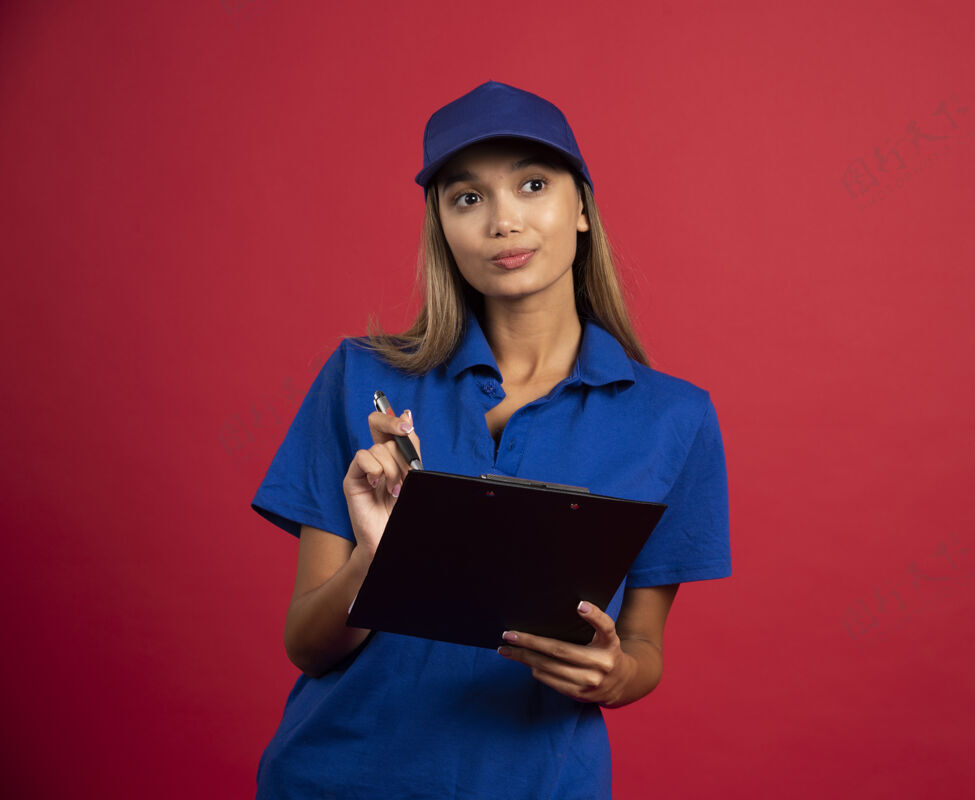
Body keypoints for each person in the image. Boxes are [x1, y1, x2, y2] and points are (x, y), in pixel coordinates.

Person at [250, 80, 731, 799]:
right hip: (335, 778)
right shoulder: (359, 378)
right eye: (467, 198)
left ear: (582, 210)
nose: (503, 221)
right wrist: (374, 563)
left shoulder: (673, 419)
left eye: (532, 185)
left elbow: (643, 650)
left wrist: (612, 674)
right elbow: (307, 646)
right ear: (441, 225)